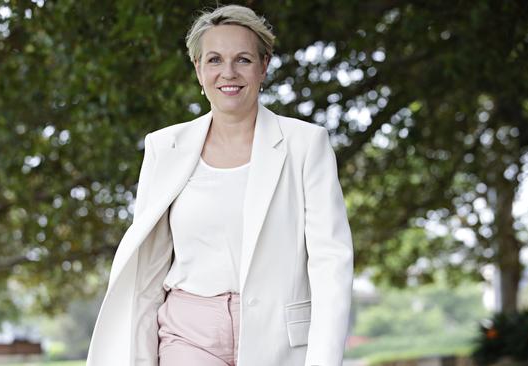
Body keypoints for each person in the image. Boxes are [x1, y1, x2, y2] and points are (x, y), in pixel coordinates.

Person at [86, 4, 354, 366]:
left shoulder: (306, 144)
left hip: (279, 337)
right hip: (189, 334)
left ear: (264, 65)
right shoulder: (164, 147)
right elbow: (148, 269)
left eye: (243, 59)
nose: (228, 72)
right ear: (198, 69)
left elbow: (330, 263)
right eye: (214, 60)